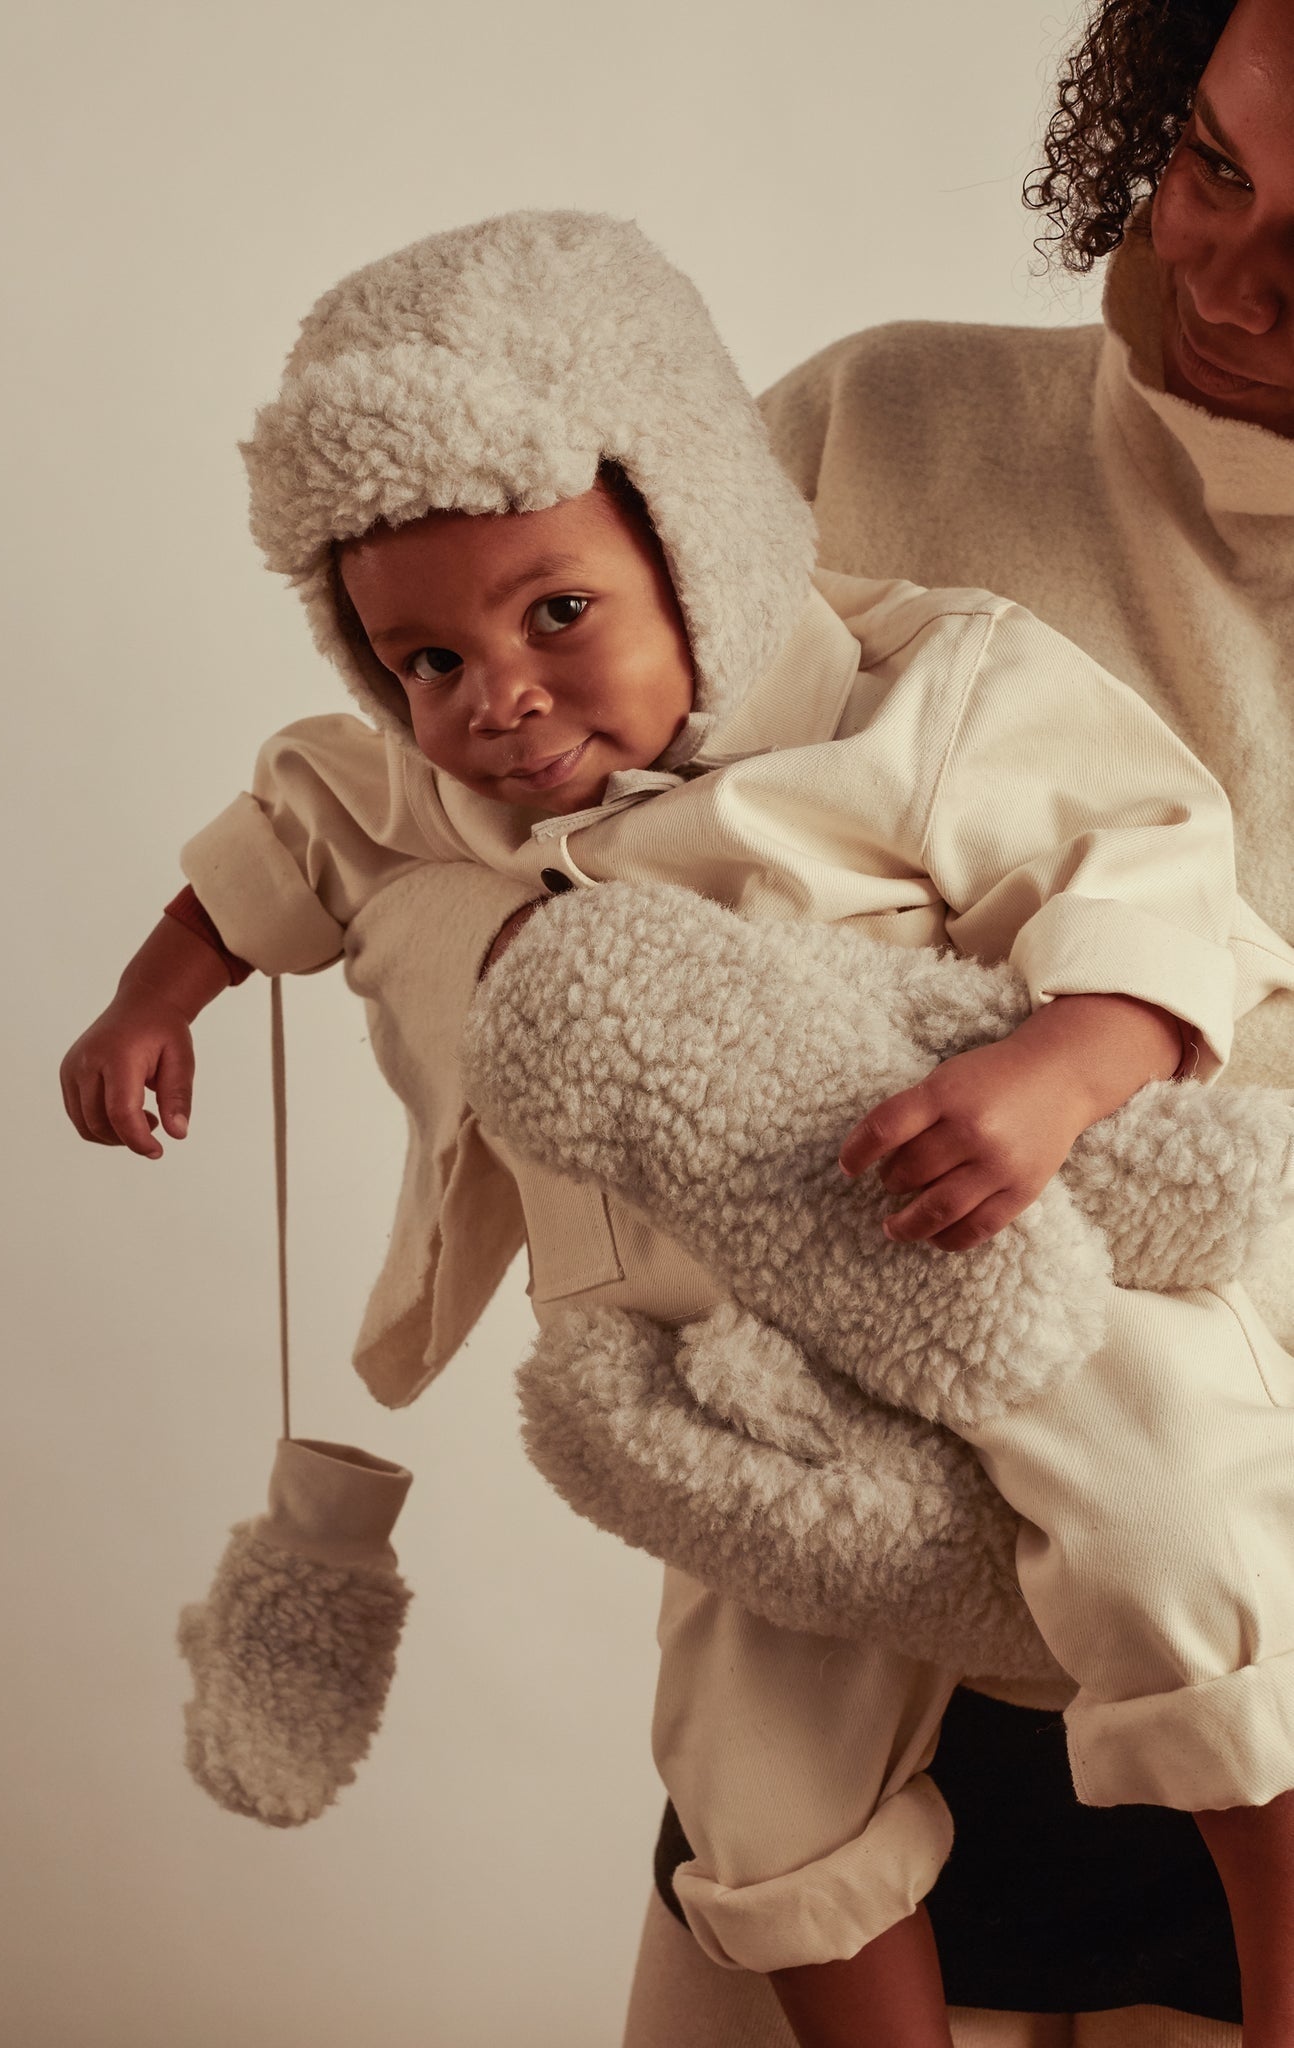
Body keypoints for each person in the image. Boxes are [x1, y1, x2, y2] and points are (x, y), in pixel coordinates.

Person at [57, 208, 1294, 2048]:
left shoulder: (925, 694)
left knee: (1178, 1527)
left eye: (557, 614)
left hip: (990, 1270)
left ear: (698, 544)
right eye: (422, 661)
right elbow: (294, 831)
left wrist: (1060, 1065)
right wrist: (156, 994)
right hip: (725, 1371)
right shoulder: (431, 786)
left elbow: (1156, 866)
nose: (501, 702)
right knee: (743, 1751)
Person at [620, 0, 1294, 2041]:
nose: (1219, 275)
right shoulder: (872, 431)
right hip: (841, 1610)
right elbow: (536, 793)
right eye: (1207, 164)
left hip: (1241, 1630)